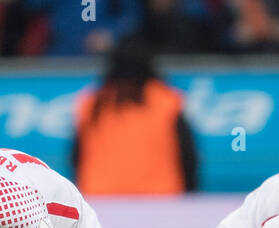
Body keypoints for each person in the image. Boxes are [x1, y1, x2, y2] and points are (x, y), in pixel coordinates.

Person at [72, 38, 198, 196]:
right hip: (161, 203)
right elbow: (188, 158)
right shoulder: (167, 100)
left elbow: (76, 158)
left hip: (101, 201)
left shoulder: (91, 103)